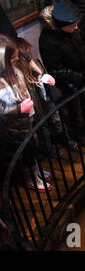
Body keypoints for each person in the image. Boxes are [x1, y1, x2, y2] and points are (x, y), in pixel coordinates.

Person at [39, 2, 85, 148]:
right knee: (76, 110)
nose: (77, 27)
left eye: (77, 24)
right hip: (69, 81)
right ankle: (81, 134)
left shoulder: (75, 22)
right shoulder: (47, 40)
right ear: (60, 25)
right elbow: (56, 69)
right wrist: (79, 77)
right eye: (72, 26)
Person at [0, 36, 52, 192]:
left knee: (33, 147)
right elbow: (1, 110)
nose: (17, 58)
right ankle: (31, 178)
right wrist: (18, 110)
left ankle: (35, 170)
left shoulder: (14, 67)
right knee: (26, 151)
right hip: (16, 126)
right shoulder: (1, 80)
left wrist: (41, 76)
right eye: (13, 57)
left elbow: (27, 58)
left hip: (29, 117)